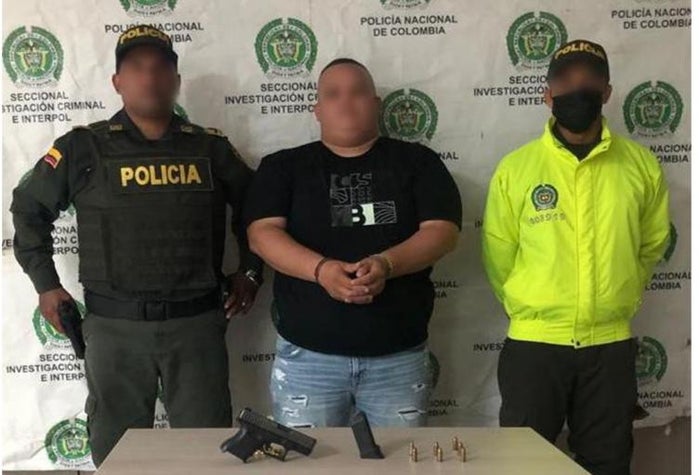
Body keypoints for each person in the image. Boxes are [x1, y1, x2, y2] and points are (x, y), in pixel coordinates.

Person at [10, 25, 262, 466]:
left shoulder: (209, 148)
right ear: (117, 82)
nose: (150, 78)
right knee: (117, 457)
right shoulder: (83, 147)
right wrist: (46, 285)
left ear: (175, 81)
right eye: (137, 68)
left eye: (161, 68)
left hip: (195, 327)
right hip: (114, 329)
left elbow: (259, 213)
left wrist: (251, 271)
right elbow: (29, 208)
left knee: (207, 455)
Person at [482, 39, 671, 475]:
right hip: (534, 346)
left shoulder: (640, 166)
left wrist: (619, 294)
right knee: (523, 467)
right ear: (547, 94)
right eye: (565, 81)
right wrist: (531, 305)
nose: (577, 90)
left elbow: (651, 245)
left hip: (609, 346)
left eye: (590, 81)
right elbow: (499, 253)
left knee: (608, 463)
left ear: (607, 92)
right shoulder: (517, 169)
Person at [244, 58, 462, 428]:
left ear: (376, 105)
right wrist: (322, 271)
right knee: (310, 459)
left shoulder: (418, 162)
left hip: (398, 359)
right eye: (333, 94)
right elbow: (261, 234)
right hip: (308, 361)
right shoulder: (283, 167)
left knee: (399, 459)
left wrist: (386, 264)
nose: (346, 102)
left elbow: (443, 231)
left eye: (358, 92)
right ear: (317, 109)